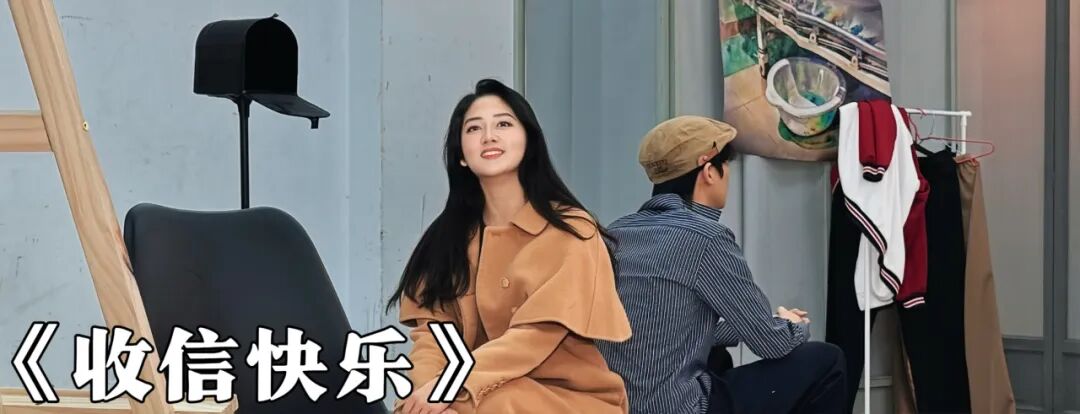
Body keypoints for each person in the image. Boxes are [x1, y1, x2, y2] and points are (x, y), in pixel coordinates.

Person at [387, 78, 633, 414]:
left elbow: (536, 335)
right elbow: (435, 335)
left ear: (528, 142)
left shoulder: (571, 230)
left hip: (569, 399)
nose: (489, 136)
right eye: (474, 128)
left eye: (503, 124)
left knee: (497, 402)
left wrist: (450, 387)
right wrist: (425, 395)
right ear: (461, 155)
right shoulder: (446, 239)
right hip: (469, 396)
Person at [595, 115, 847, 414]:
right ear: (709, 172)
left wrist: (750, 324)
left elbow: (668, 332)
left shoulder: (616, 234)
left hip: (620, 406)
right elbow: (772, 344)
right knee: (827, 360)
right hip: (681, 407)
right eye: (726, 166)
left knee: (717, 358)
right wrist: (793, 325)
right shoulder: (706, 238)